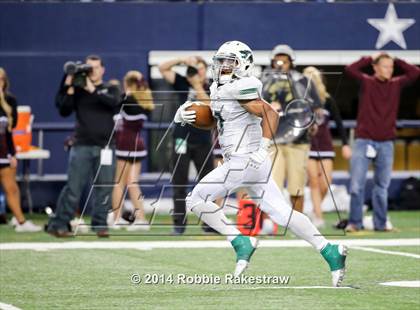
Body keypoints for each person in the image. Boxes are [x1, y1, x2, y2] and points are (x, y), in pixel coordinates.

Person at [174, 41, 347, 287]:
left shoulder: (244, 85)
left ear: (243, 64)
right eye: (221, 61)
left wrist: (263, 146)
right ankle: (330, 251)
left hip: (246, 159)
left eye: (230, 61)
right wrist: (189, 115)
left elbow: (270, 113)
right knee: (281, 212)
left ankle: (240, 241)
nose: (223, 66)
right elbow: (219, 120)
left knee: (196, 199)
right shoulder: (221, 87)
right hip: (251, 163)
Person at [345, 53, 420, 232]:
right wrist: (370, 57)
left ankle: (381, 224)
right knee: (356, 185)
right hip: (364, 141)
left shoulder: (395, 84)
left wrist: (397, 59)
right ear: (375, 67)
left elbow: (415, 72)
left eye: (391, 67)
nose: (389, 70)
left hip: (386, 143)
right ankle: (355, 222)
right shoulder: (367, 82)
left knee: (382, 187)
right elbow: (350, 69)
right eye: (385, 66)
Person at [46, 55, 120, 237]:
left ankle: (100, 225)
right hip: (81, 146)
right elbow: (63, 108)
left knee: (104, 187)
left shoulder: (111, 88)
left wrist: (91, 88)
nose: (92, 71)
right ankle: (60, 224)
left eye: (95, 67)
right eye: (89, 67)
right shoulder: (78, 91)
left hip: (105, 146)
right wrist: (69, 83)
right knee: (73, 187)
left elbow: (114, 103)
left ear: (102, 69)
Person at [261, 45, 322, 213]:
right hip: (273, 140)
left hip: (298, 140)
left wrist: (311, 122)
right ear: (272, 62)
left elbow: (316, 109)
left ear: (291, 62)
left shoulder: (302, 81)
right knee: (272, 186)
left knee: (296, 187)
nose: (280, 64)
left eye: (284, 61)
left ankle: (298, 222)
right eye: (277, 60)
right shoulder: (263, 82)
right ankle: (270, 225)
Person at [159, 56, 214, 235]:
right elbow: (162, 68)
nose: (197, 72)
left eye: (200, 69)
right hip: (181, 138)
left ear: (205, 71)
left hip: (203, 141)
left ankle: (209, 224)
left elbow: (211, 106)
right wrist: (181, 60)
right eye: (194, 68)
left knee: (207, 184)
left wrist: (197, 85)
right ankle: (179, 225)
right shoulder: (182, 82)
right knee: (179, 183)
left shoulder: (213, 86)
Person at [302, 66, 352, 228]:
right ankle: (318, 216)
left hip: (325, 145)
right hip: (307, 145)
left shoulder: (327, 100)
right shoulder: (299, 100)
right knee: (314, 182)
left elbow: (338, 123)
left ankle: (314, 210)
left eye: (314, 78)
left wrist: (345, 144)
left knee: (325, 182)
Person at [110, 70, 154, 231]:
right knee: (133, 183)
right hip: (137, 145)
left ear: (128, 84)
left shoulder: (128, 99)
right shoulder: (144, 100)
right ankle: (141, 219)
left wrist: (117, 90)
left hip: (126, 145)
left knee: (119, 183)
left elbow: (115, 103)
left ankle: (117, 218)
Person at [0, 67, 41, 232]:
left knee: (12, 188)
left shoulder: (9, 101)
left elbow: (11, 129)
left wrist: (12, 153)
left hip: (3, 152)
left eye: (1, 79)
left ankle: (21, 222)